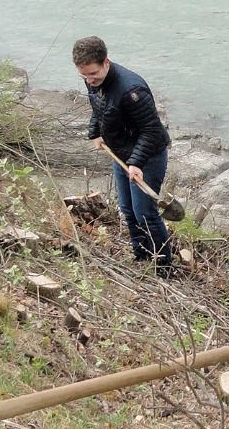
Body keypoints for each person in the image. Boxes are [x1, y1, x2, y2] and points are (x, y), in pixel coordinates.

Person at [73, 36, 174, 273]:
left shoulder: (131, 90)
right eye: (84, 76)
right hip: (120, 153)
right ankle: (141, 256)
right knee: (127, 209)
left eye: (93, 74)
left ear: (106, 62)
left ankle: (164, 267)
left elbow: (151, 130)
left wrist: (137, 162)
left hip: (148, 156)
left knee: (145, 213)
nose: (89, 80)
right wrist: (95, 132)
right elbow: (99, 109)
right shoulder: (93, 80)